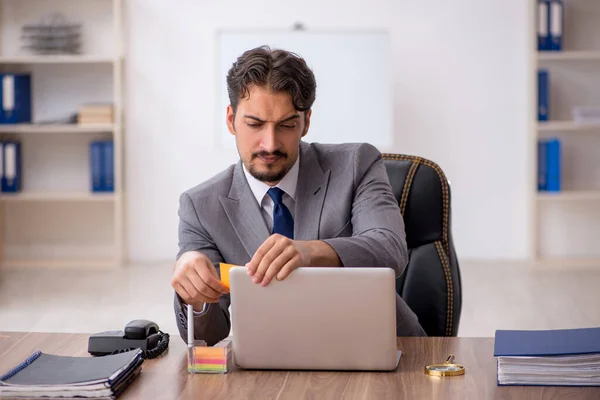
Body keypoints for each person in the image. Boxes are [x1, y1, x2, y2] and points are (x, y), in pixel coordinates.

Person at [171, 46, 426, 345]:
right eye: (254, 125)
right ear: (231, 120)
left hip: (380, 347)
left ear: (306, 122)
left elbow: (389, 249)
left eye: (287, 125)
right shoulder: (199, 206)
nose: (270, 144)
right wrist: (195, 296)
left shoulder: (358, 163)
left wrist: (310, 252)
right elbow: (211, 335)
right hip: (273, 359)